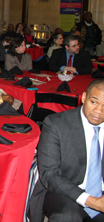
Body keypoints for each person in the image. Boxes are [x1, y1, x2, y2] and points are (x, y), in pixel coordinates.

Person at [29, 79, 104, 222]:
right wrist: (91, 201)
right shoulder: (56, 124)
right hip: (63, 189)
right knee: (68, 217)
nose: (99, 111)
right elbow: (50, 174)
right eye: (94, 102)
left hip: (100, 189)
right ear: (83, 98)